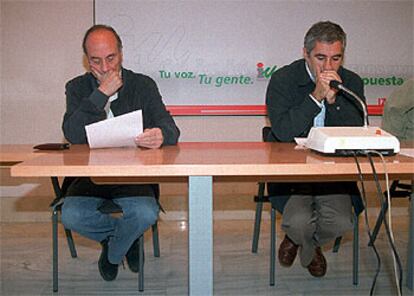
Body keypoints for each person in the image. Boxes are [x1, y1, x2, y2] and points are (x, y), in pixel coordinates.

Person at [61, 24, 180, 281]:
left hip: (132, 176)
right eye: (96, 60)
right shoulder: (77, 87)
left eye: (111, 58)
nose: (105, 67)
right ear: (86, 60)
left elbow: (171, 129)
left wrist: (161, 134)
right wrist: (101, 94)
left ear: (121, 53)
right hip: (88, 177)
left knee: (146, 213)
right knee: (71, 215)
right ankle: (126, 239)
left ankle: (114, 251)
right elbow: (72, 133)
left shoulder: (142, 85)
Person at [265, 21, 365, 277]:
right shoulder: (283, 80)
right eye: (320, 58)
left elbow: (356, 134)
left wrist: (334, 103)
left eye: (336, 58)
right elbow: (284, 132)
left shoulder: (351, 81)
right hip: (292, 174)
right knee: (298, 223)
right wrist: (315, 98)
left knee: (342, 221)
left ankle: (299, 242)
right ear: (305, 54)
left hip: (333, 175)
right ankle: (307, 243)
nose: (329, 67)